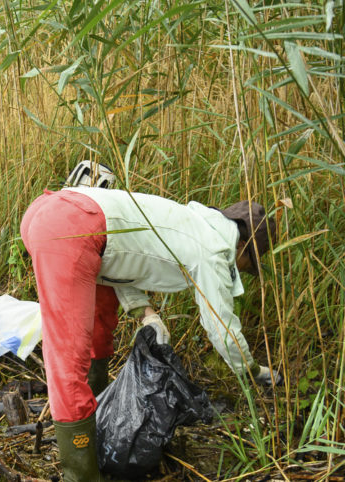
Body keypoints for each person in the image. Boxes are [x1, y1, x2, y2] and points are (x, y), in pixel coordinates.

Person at [20, 186, 278, 481]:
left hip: (54, 212)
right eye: (249, 265)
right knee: (68, 359)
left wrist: (145, 312)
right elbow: (222, 329)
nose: (244, 271)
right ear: (244, 247)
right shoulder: (214, 252)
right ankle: (81, 475)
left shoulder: (195, 220)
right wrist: (251, 370)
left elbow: (120, 254)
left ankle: (99, 426)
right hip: (70, 229)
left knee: (99, 330)